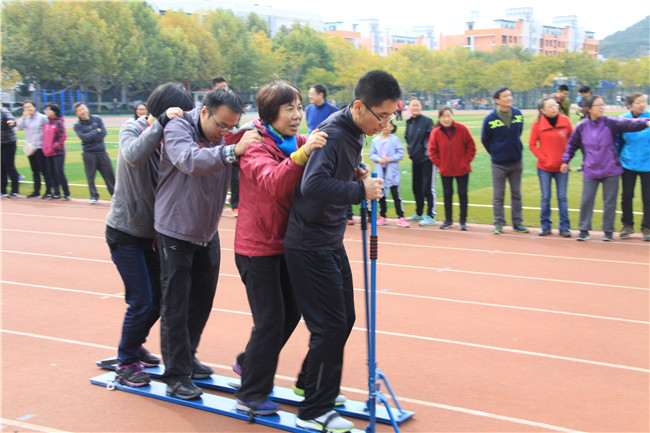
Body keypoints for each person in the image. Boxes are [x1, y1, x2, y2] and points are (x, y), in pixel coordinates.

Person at [283, 69, 397, 432]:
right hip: (309, 242)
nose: (386, 123)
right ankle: (315, 408)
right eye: (382, 116)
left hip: (328, 238)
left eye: (392, 116)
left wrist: (356, 173)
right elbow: (313, 184)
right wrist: (359, 192)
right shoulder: (333, 133)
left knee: (342, 320)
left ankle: (308, 382)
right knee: (330, 325)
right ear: (360, 106)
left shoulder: (353, 131)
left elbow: (335, 171)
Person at [231, 78, 328, 416]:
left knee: (291, 313)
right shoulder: (256, 144)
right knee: (270, 319)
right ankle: (252, 394)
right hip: (256, 248)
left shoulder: (291, 141)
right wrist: (303, 153)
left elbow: (321, 156)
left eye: (299, 107)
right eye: (289, 108)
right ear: (271, 112)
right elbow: (273, 182)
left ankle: (248, 361)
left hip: (285, 244)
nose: (297, 114)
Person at [154, 88, 258, 400]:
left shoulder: (226, 136)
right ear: (204, 112)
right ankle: (175, 374)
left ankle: (188, 357)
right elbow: (190, 160)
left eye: (232, 126)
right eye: (222, 125)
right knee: (175, 305)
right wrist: (232, 149)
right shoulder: (178, 128)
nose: (226, 132)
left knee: (201, 301)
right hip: (175, 232)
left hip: (206, 232)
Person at [106, 82, 194, 387]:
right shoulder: (132, 129)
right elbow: (134, 155)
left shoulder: (171, 140)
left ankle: (136, 344)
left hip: (154, 235)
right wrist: (161, 122)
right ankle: (125, 361)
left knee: (157, 299)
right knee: (141, 300)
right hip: (124, 232)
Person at [561, 95, 650, 241]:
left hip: (610, 170)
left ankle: (608, 231)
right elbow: (572, 144)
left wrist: (646, 122)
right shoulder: (582, 126)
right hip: (590, 170)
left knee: (610, 203)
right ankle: (584, 230)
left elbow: (629, 123)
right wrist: (565, 160)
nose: (602, 107)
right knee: (587, 201)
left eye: (603, 104)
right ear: (589, 109)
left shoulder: (610, 122)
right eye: (598, 105)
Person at [481, 86, 529, 234]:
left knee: (516, 194)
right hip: (499, 163)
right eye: (505, 96)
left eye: (510, 95)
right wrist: (496, 152)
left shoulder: (518, 114)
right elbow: (485, 140)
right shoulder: (490, 119)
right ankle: (498, 224)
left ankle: (517, 223)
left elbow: (518, 132)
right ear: (497, 100)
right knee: (498, 195)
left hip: (516, 161)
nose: (509, 98)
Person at [529, 97, 573, 237]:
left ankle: (564, 227)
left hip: (562, 168)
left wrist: (566, 159)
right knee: (545, 197)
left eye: (555, 105)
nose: (554, 108)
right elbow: (532, 144)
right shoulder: (537, 124)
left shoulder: (565, 121)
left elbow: (573, 141)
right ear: (542, 110)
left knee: (562, 197)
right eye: (550, 106)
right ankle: (545, 226)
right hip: (544, 168)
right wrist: (543, 158)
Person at [428, 106, 476, 230]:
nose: (446, 119)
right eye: (443, 116)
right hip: (445, 169)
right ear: (439, 118)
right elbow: (432, 151)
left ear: (452, 116)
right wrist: (440, 163)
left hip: (462, 169)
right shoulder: (436, 132)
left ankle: (463, 221)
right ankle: (448, 220)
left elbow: (471, 146)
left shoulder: (462, 129)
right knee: (447, 194)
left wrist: (466, 161)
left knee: (462, 194)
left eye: (448, 116)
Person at [617, 92, 650, 241]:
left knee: (648, 197)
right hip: (628, 162)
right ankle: (627, 225)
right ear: (630, 105)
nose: (642, 104)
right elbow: (618, 141)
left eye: (644, 101)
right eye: (638, 102)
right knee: (627, 195)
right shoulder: (622, 119)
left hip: (648, 162)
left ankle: (647, 227)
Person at [73, 102, 115, 204]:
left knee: (109, 174)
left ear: (87, 108)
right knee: (90, 176)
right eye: (79, 110)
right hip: (89, 153)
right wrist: (96, 132)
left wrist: (93, 137)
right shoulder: (77, 125)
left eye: (83, 109)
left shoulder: (97, 119)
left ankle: (115, 196)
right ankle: (94, 195)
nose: (83, 112)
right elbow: (84, 137)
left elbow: (103, 133)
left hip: (101, 152)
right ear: (76, 113)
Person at [369, 120, 409, 227]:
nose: (385, 126)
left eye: (388, 124)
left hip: (392, 171)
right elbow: (371, 154)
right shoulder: (375, 140)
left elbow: (400, 153)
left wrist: (390, 158)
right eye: (383, 124)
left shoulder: (395, 140)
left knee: (396, 194)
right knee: (381, 196)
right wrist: (378, 159)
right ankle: (383, 216)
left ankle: (401, 217)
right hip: (380, 171)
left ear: (391, 126)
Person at [211, 75, 240, 216]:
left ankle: (235, 205)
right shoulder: (210, 107)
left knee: (235, 178)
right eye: (221, 87)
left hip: (231, 147)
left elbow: (236, 129)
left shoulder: (233, 105)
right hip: (215, 149)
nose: (224, 89)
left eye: (225, 87)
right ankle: (217, 203)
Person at [405, 98, 437, 226]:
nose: (415, 107)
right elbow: (408, 138)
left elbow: (430, 140)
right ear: (409, 108)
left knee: (428, 188)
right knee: (416, 187)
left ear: (421, 107)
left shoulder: (428, 121)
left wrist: (425, 153)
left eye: (417, 105)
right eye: (413, 105)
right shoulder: (409, 122)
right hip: (415, 159)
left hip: (427, 159)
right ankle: (419, 213)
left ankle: (430, 215)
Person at [16, 101, 51, 198]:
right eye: (25, 107)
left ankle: (48, 191)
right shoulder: (26, 118)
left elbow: (49, 129)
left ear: (34, 107)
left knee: (44, 170)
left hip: (40, 146)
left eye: (29, 106)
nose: (28, 109)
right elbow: (19, 128)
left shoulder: (42, 117)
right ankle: (36, 190)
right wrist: (22, 117)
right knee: (35, 170)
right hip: (30, 147)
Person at [41, 103, 70, 200]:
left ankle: (66, 193)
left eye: (49, 109)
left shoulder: (59, 122)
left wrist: (56, 145)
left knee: (59, 172)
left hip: (58, 152)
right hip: (48, 151)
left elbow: (63, 136)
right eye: (46, 110)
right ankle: (56, 192)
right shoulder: (47, 122)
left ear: (55, 111)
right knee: (51, 172)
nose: (47, 112)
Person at [1, 107, 20, 197]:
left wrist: (12, 123)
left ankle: (15, 190)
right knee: (1, 167)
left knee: (9, 166)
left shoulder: (4, 111)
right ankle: (2, 190)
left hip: (9, 143)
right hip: (1, 143)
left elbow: (12, 120)